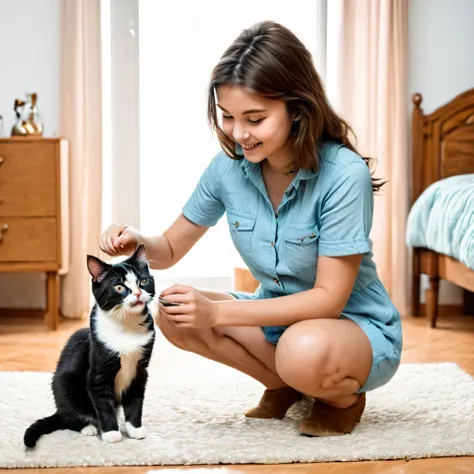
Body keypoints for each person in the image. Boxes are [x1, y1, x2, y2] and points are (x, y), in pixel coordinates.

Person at [100, 20, 402, 437]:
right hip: (277, 321)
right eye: (228, 116)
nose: (239, 133)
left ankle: (337, 397)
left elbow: (327, 302)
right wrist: (139, 239)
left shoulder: (343, 175)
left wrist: (218, 312)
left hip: (353, 329)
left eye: (255, 119)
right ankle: (284, 384)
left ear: (297, 108)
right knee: (174, 310)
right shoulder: (229, 169)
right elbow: (169, 247)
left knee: (301, 348)